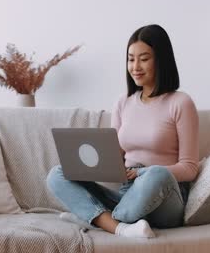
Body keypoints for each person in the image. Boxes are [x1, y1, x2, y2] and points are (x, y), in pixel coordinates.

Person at [46, 24, 199, 238]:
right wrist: (91, 166)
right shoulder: (123, 102)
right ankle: (121, 227)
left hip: (164, 196)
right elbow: (115, 156)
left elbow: (190, 168)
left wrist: (142, 172)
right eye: (130, 59)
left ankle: (95, 219)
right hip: (128, 194)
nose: (135, 66)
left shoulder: (181, 102)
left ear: (161, 60)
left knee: (157, 172)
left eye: (144, 59)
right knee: (57, 174)